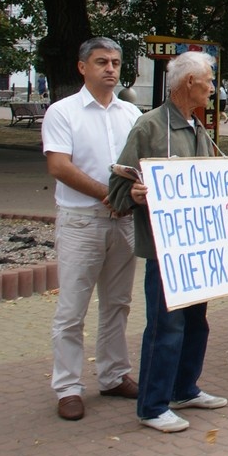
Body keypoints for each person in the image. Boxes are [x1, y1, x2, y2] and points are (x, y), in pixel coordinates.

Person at [108, 51, 228, 433]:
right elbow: (118, 189)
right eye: (209, 80)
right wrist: (136, 195)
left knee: (196, 322)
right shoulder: (150, 127)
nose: (213, 87)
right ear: (189, 82)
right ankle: (153, 405)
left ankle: (184, 388)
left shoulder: (198, 127)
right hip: (166, 249)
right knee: (166, 325)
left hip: (198, 246)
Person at [42, 37, 141, 421]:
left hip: (124, 221)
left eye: (116, 62)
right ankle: (67, 386)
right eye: (102, 62)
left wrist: (131, 197)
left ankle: (114, 374)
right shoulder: (63, 112)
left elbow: (142, 161)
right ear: (82, 67)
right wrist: (109, 195)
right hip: (82, 221)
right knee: (72, 309)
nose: (111, 69)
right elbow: (59, 167)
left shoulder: (130, 114)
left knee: (118, 303)